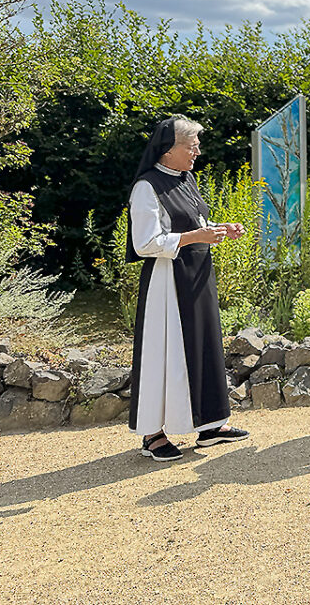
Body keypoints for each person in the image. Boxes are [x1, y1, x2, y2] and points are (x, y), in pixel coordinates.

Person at [126, 115, 250, 462]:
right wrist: (197, 235)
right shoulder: (146, 187)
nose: (197, 151)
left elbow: (193, 223)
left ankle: (210, 426)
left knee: (204, 346)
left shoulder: (185, 179)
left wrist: (218, 228)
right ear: (168, 149)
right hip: (167, 283)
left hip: (197, 277)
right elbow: (145, 243)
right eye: (191, 146)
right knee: (163, 352)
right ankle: (153, 434)